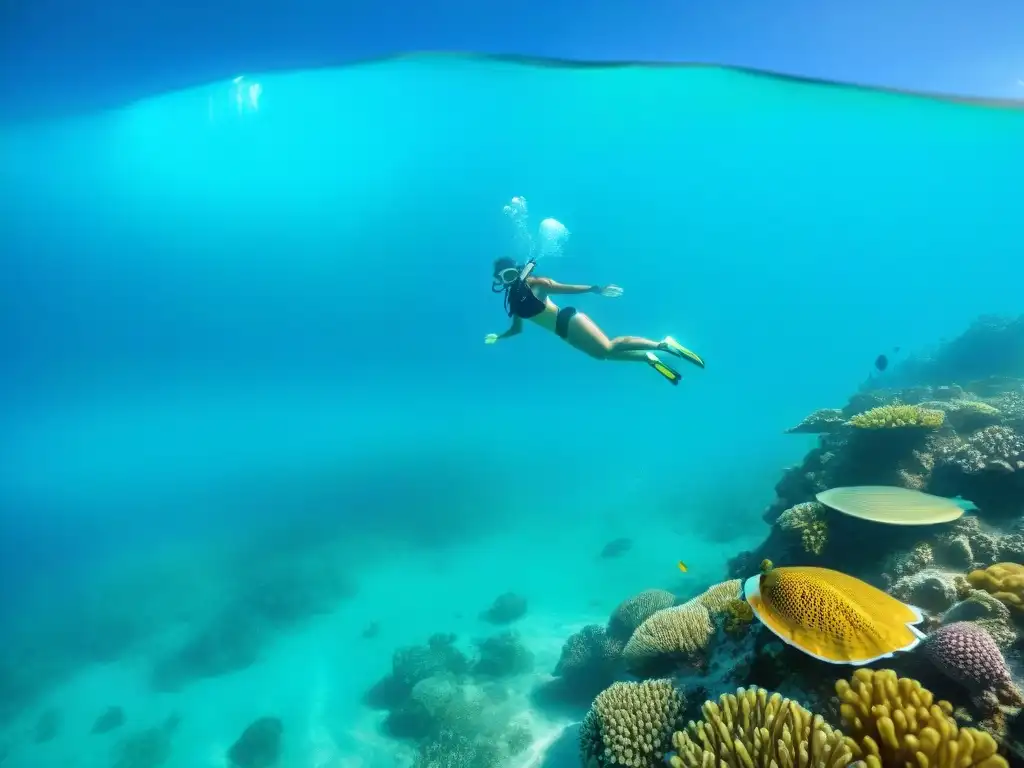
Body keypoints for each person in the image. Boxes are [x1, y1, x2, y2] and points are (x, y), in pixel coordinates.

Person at [485, 257, 704, 384]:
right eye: (504, 278)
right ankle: (647, 357)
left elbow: (566, 288)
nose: (510, 281)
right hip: (564, 333)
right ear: (499, 280)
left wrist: (595, 289)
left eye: (512, 275)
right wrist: (499, 337)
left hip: (569, 319)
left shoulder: (536, 284)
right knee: (602, 355)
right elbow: (516, 329)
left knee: (608, 346)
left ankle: (663, 345)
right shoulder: (515, 303)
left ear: (519, 271)